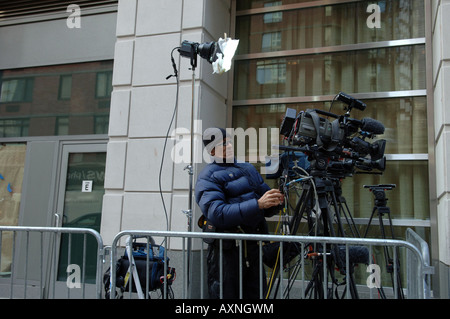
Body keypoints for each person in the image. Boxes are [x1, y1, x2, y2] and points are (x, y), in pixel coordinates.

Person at [195, 127, 284, 299]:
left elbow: (266, 203)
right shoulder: (207, 177)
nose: (229, 146)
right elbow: (217, 213)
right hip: (227, 253)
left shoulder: (247, 168)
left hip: (253, 248)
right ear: (212, 150)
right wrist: (257, 204)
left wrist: (277, 200)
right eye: (223, 143)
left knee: (256, 296)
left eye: (229, 141)